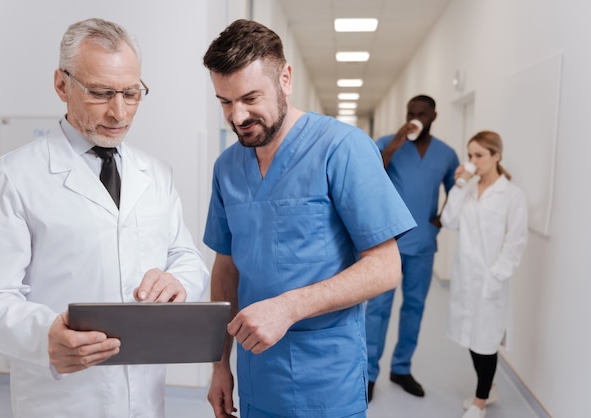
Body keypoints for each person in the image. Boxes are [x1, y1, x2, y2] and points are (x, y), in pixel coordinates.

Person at [0, 18, 209, 418]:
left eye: (132, 93)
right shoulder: (12, 177)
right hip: (62, 399)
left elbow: (185, 256)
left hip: (145, 400)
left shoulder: (156, 173)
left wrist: (177, 282)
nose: (119, 111)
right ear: (62, 85)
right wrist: (45, 335)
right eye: (101, 93)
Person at [202, 19, 416, 418]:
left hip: (326, 378)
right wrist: (219, 366)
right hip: (256, 375)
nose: (238, 116)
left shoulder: (343, 149)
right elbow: (226, 268)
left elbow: (386, 268)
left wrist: (288, 307)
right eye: (225, 102)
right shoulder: (227, 167)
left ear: (285, 78)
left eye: (250, 97)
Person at [365, 95, 459, 400]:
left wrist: (440, 221)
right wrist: (395, 145)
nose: (415, 117)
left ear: (434, 116)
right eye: (411, 112)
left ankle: (401, 368)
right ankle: (367, 373)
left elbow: (457, 192)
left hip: (423, 245)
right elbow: (368, 174)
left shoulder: (446, 154)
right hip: (387, 243)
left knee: (414, 307)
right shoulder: (387, 142)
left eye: (421, 113)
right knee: (377, 309)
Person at [440, 131, 528, 418]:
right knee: (471, 336)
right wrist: (459, 185)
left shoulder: (511, 195)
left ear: (496, 156)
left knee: (485, 341)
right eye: (470, 155)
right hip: (466, 276)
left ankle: (480, 402)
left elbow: (515, 241)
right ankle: (488, 388)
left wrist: (497, 275)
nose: (473, 161)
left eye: (479, 155)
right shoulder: (468, 188)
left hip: (491, 279)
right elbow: (449, 220)